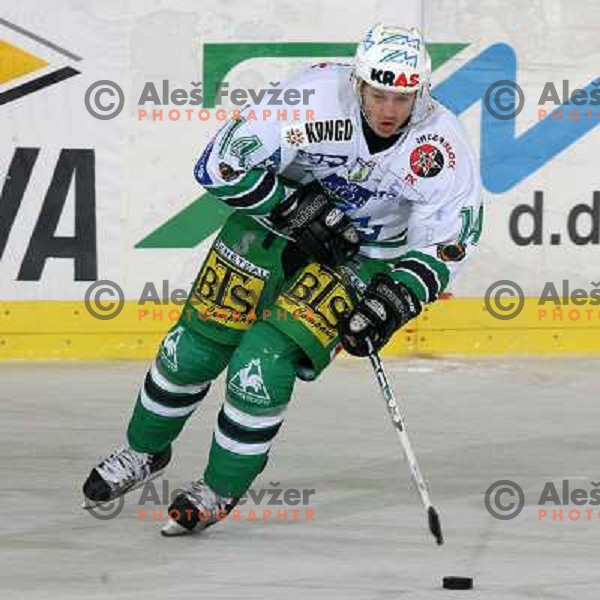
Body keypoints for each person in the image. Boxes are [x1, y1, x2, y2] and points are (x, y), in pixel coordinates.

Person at [82, 23, 482, 536]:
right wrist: (293, 207)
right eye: (378, 93)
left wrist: (395, 298)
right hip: (274, 224)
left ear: (420, 92)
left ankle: (218, 488)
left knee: (263, 361)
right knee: (196, 346)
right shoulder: (312, 97)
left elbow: (449, 242)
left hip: (360, 255)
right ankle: (142, 451)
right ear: (357, 82)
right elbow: (219, 164)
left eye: (403, 97)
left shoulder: (439, 143)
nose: (389, 109)